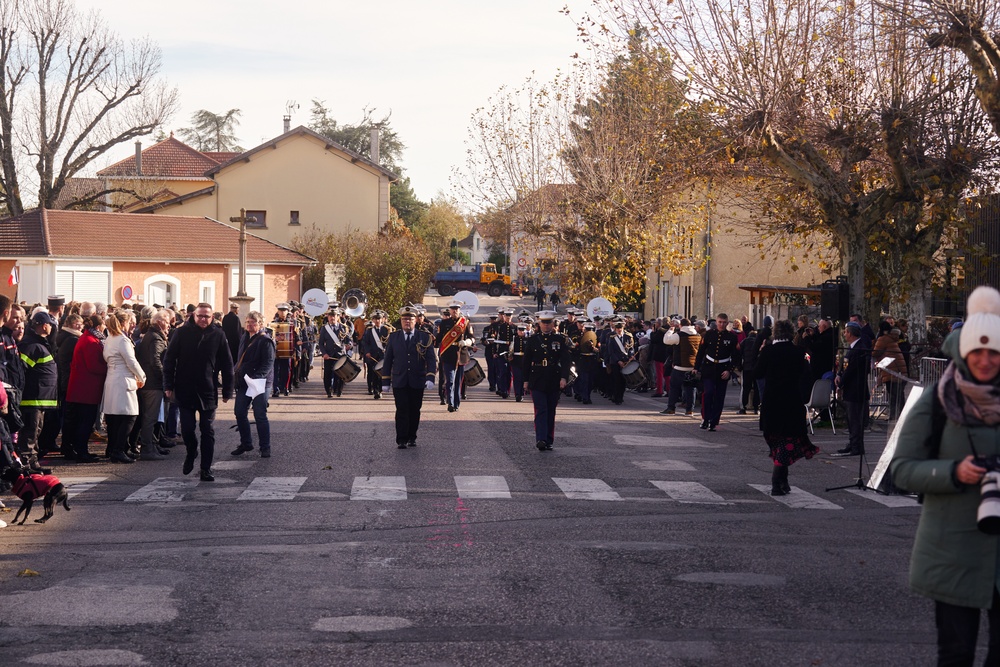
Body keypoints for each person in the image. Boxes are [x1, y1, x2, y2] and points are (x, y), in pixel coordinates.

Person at [890, 286, 1000, 667]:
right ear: (963, 351)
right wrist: (955, 471)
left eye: (994, 353)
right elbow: (902, 469)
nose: (985, 360)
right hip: (953, 549)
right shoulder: (939, 399)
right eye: (977, 351)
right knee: (955, 656)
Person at [162, 302, 234, 482]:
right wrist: (168, 385)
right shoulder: (181, 332)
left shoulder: (218, 334)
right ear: (194, 316)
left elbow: (227, 364)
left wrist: (227, 389)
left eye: (207, 316)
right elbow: (169, 360)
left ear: (212, 318)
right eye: (200, 316)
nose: (203, 319)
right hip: (184, 388)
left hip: (207, 389)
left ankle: (206, 468)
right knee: (187, 429)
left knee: (207, 430)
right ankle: (191, 450)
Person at [754, 319, 819, 495]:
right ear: (791, 333)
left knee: (778, 443)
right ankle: (779, 481)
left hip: (772, 402)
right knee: (787, 442)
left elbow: (757, 373)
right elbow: (807, 375)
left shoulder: (768, 351)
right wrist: (804, 397)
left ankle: (780, 481)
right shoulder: (799, 352)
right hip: (791, 401)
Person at [381, 305, 437, 449]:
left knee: (414, 409)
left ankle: (412, 436)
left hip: (417, 379)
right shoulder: (394, 337)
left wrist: (430, 377)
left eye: (410, 319)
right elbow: (388, 360)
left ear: (415, 321)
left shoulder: (424, 337)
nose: (407, 322)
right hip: (399, 379)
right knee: (401, 409)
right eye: (404, 319)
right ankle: (401, 439)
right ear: (401, 321)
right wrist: (385, 381)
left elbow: (431, 359)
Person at [101, 310, 146, 464]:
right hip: (123, 380)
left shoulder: (109, 339)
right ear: (123, 323)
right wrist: (142, 376)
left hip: (112, 379)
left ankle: (113, 448)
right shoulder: (122, 340)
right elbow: (131, 361)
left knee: (114, 418)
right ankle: (118, 450)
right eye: (128, 322)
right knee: (129, 417)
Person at [523, 310, 571, 450]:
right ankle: (541, 439)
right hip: (537, 378)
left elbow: (566, 361)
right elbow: (526, 362)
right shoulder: (532, 340)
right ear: (539, 323)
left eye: (548, 323)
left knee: (550, 410)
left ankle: (549, 439)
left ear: (552, 324)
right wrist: (525, 380)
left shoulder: (560, 340)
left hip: (553, 378)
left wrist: (564, 378)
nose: (546, 326)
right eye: (543, 323)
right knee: (541, 409)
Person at [17, 311, 59, 470]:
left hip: (39, 398)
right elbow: (21, 370)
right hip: (32, 399)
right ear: (44, 325)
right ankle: (26, 465)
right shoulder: (31, 346)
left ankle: (33, 463)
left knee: (36, 433)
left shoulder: (39, 344)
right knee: (30, 433)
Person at [231, 311, 276, 458]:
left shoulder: (266, 341)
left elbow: (268, 363)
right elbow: (240, 358)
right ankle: (246, 443)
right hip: (244, 381)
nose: (250, 325)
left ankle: (265, 447)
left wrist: (256, 378)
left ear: (260, 324)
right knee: (239, 412)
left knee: (260, 414)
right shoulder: (244, 336)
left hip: (260, 382)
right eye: (248, 322)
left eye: (253, 322)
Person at [63, 314, 107, 463]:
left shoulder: (88, 338)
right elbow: (94, 366)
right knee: (85, 422)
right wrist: (110, 367)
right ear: (98, 326)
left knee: (81, 421)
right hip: (85, 389)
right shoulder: (90, 341)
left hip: (82, 388)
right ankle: (81, 451)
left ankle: (80, 449)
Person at [694, 313, 741, 431]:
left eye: (724, 322)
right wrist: (696, 367)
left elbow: (736, 357)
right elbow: (701, 352)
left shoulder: (732, 337)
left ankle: (713, 422)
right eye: (720, 322)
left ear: (727, 323)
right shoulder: (709, 334)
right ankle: (705, 418)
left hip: (723, 369)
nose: (722, 324)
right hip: (709, 368)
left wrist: (729, 371)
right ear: (716, 322)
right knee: (708, 393)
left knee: (719, 397)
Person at [135, 309, 171, 460]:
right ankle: (147, 449)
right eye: (167, 322)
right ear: (159, 322)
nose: (169, 326)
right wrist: (165, 378)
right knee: (150, 417)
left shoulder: (151, 335)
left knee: (150, 416)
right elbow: (155, 361)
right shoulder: (156, 338)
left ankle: (152, 446)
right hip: (152, 383)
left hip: (149, 382)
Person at [833, 322, 870, 457]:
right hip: (851, 389)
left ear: (851, 333)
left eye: (846, 332)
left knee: (855, 420)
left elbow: (852, 370)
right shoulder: (852, 348)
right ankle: (853, 443)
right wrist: (838, 375)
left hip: (856, 390)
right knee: (851, 419)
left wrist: (841, 383)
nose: (845, 334)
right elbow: (845, 366)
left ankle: (856, 446)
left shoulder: (860, 349)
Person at [437, 300, 474, 413]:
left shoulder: (465, 322)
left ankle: (456, 404)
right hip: (448, 355)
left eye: (456, 309)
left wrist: (467, 342)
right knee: (450, 380)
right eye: (452, 309)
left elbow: (472, 338)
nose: (454, 311)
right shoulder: (444, 323)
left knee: (458, 381)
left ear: (459, 310)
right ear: (450, 311)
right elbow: (438, 340)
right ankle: (450, 403)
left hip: (461, 355)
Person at [662, 318, 701, 416]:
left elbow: (666, 340)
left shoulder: (679, 335)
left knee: (674, 388)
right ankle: (689, 410)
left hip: (680, 366)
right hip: (692, 366)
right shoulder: (698, 335)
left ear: (680, 326)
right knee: (691, 389)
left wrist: (670, 330)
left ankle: (671, 408)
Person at [318, 308, 349, 398]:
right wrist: (324, 353)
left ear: (337, 317)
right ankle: (329, 391)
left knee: (340, 374)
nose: (332, 318)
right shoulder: (324, 328)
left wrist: (349, 345)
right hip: (329, 355)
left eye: (334, 316)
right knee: (328, 374)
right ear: (328, 317)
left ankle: (339, 390)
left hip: (340, 355)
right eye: (330, 316)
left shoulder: (343, 327)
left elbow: (348, 340)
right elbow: (320, 343)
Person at [361, 310, 391, 400]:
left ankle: (380, 389)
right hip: (373, 356)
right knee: (374, 374)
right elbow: (365, 343)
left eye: (379, 319)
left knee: (382, 374)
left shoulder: (386, 330)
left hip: (383, 355)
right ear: (373, 320)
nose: (377, 321)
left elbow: (390, 342)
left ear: (382, 319)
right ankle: (376, 391)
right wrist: (367, 352)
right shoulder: (369, 331)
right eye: (375, 319)